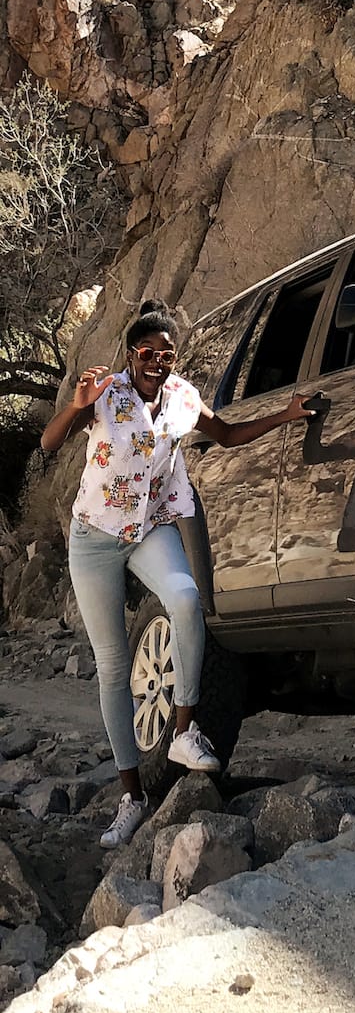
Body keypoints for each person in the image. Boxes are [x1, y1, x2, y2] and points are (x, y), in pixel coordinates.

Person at [39, 299, 312, 849]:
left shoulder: (183, 398)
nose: (156, 362)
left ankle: (184, 731)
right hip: (93, 538)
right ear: (130, 355)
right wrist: (75, 406)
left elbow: (227, 435)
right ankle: (132, 797)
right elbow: (49, 444)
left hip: (148, 529)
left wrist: (287, 414)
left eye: (166, 354)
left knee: (186, 601)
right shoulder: (107, 394)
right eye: (146, 353)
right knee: (114, 668)